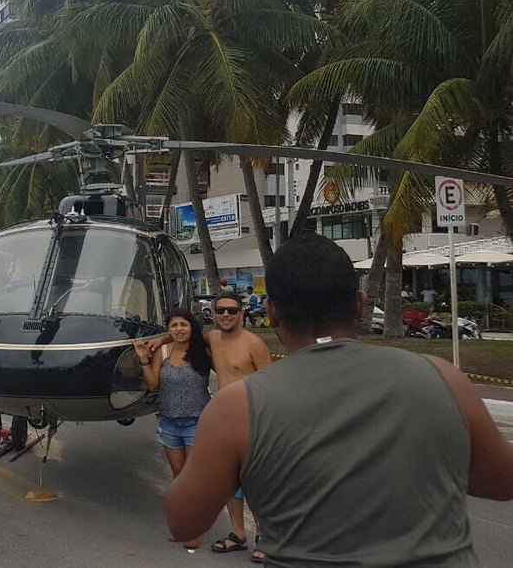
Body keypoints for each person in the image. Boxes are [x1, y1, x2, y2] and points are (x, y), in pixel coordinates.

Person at [165, 233, 513, 566]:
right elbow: (500, 482)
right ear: (360, 304)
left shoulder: (236, 408)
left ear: (271, 313)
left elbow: (183, 522)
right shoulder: (443, 377)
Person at [147, 291, 273, 558]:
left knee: (254, 481)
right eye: (221, 310)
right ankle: (238, 534)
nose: (226, 315)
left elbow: (272, 386)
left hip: (252, 420)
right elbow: (182, 334)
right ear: (213, 314)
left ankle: (266, 537)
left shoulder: (254, 344)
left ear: (242, 313)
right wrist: (160, 340)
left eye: (232, 310)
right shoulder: (212, 339)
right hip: (224, 422)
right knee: (229, 481)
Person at [133, 307, 212, 550]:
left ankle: (192, 528)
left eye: (183, 325)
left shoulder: (204, 350)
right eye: (174, 326)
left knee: (192, 477)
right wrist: (144, 359)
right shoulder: (163, 352)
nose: (179, 329)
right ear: (168, 329)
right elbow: (153, 384)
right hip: (169, 423)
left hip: (197, 422)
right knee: (178, 475)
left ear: (192, 327)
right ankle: (184, 522)